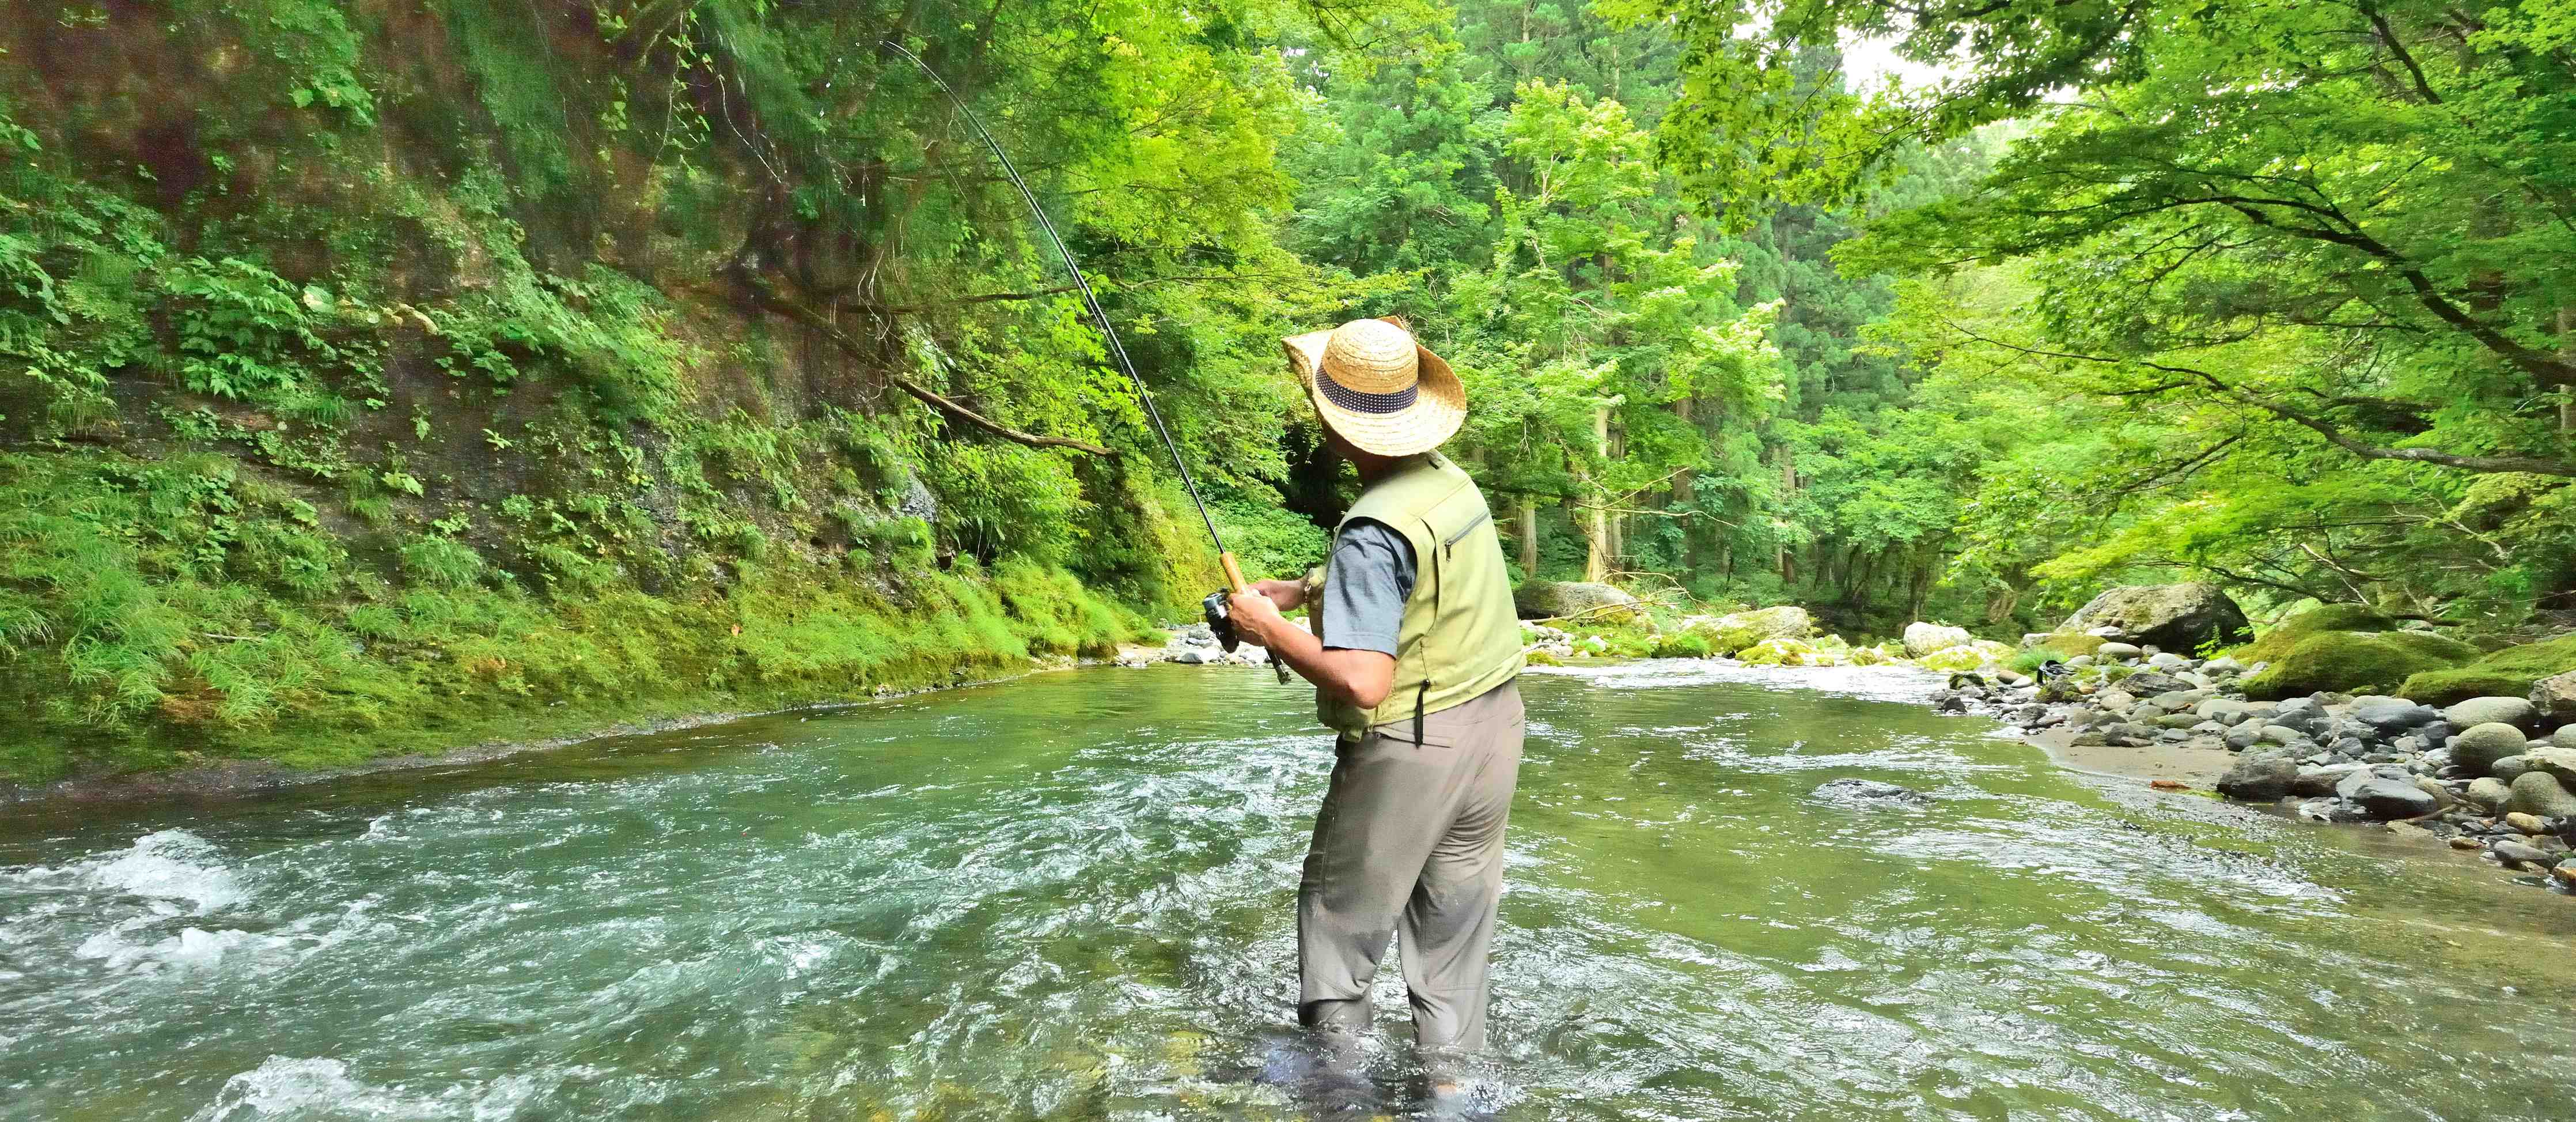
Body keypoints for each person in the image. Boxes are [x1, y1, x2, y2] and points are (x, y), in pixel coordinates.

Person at [1222, 316, 1528, 1057]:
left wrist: (1266, 630)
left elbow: (1363, 680)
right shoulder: (1445, 482)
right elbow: (1422, 586)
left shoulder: (1369, 531)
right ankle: (1453, 1091)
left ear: (1336, 427)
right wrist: (1304, 591)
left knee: (1338, 928)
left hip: (1413, 748)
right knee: (1451, 942)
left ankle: (1335, 1090)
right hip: (1494, 730)